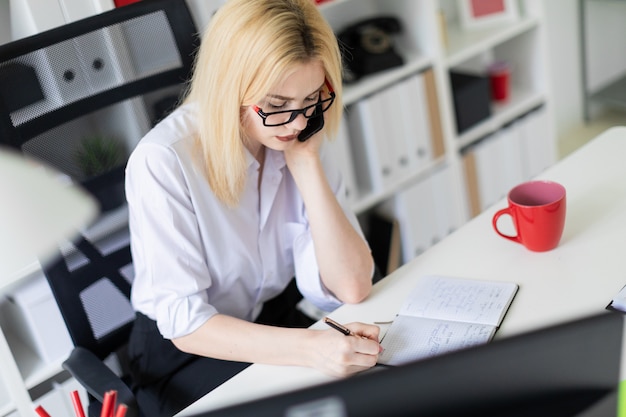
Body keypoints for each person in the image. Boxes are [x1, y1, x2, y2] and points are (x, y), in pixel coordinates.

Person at [124, 0, 381, 415]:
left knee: (368, 388)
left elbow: (351, 286)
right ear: (231, 88)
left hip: (271, 323)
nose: (298, 121)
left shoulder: (297, 132)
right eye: (277, 104)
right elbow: (186, 324)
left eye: (314, 97)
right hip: (188, 354)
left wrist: (306, 164)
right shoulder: (164, 161)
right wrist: (310, 347)